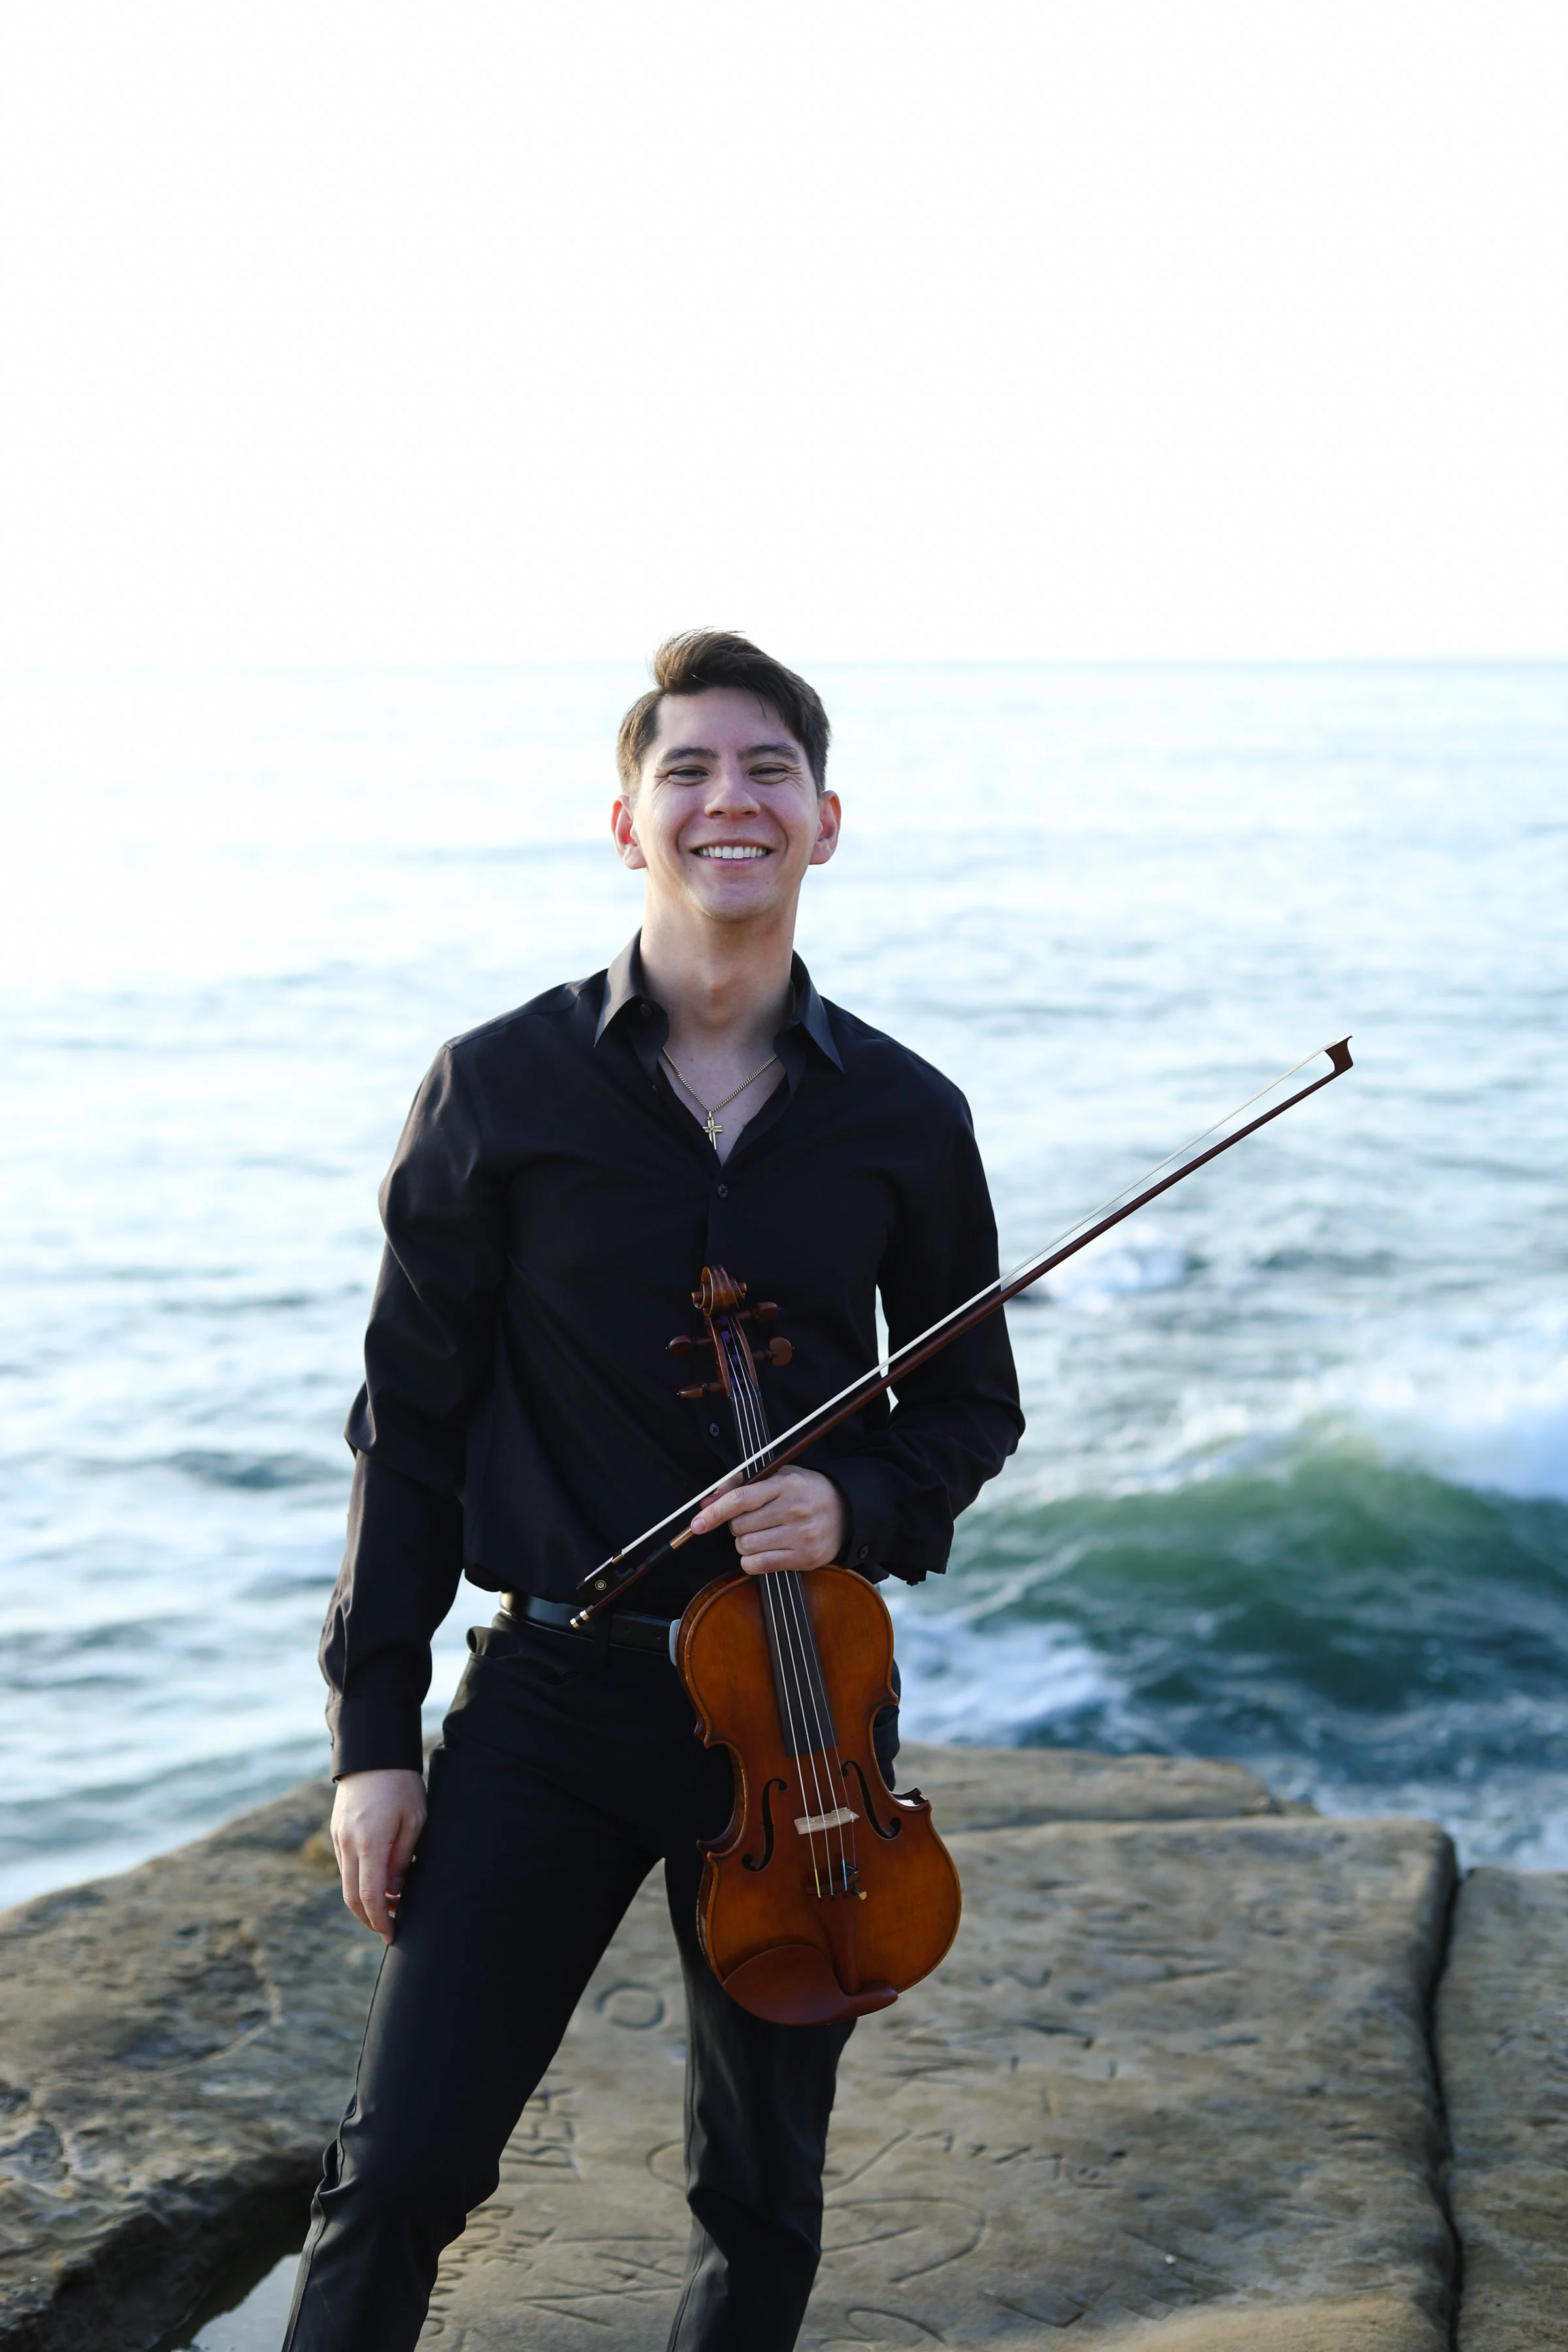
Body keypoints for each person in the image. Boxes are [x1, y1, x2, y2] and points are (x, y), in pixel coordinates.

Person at [282, 630, 1024, 2350]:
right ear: (627, 821)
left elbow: (970, 1404)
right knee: (399, 2172)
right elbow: (405, 1431)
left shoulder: (907, 1118)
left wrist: (859, 1506)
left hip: (804, 1713)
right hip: (551, 1692)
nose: (727, 801)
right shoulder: (500, 1091)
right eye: (686, 769)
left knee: (759, 2193)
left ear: (825, 821)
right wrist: (374, 1743)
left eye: (766, 769)